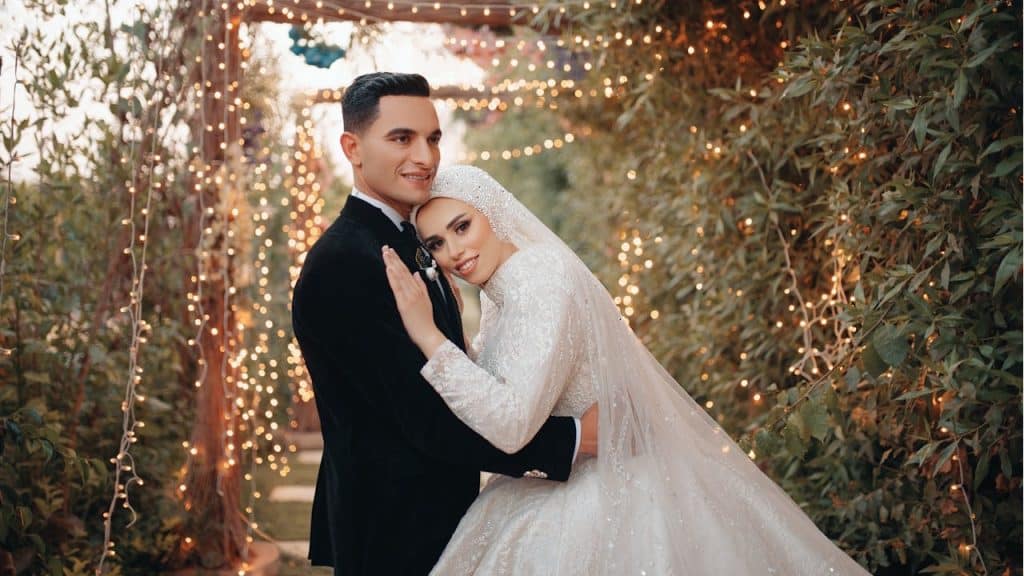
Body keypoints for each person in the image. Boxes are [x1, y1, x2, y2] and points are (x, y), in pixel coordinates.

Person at [383, 164, 873, 575]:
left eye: (462, 226)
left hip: (606, 495)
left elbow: (510, 424)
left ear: (492, 213)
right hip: (559, 481)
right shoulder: (504, 294)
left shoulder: (538, 277)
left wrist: (428, 337)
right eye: (437, 244)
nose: (455, 252)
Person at [291, 73, 597, 576]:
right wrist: (572, 440)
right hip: (394, 530)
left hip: (438, 517)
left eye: (432, 138)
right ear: (353, 147)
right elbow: (423, 419)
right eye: (401, 138)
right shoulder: (344, 264)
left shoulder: (409, 242)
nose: (425, 157)